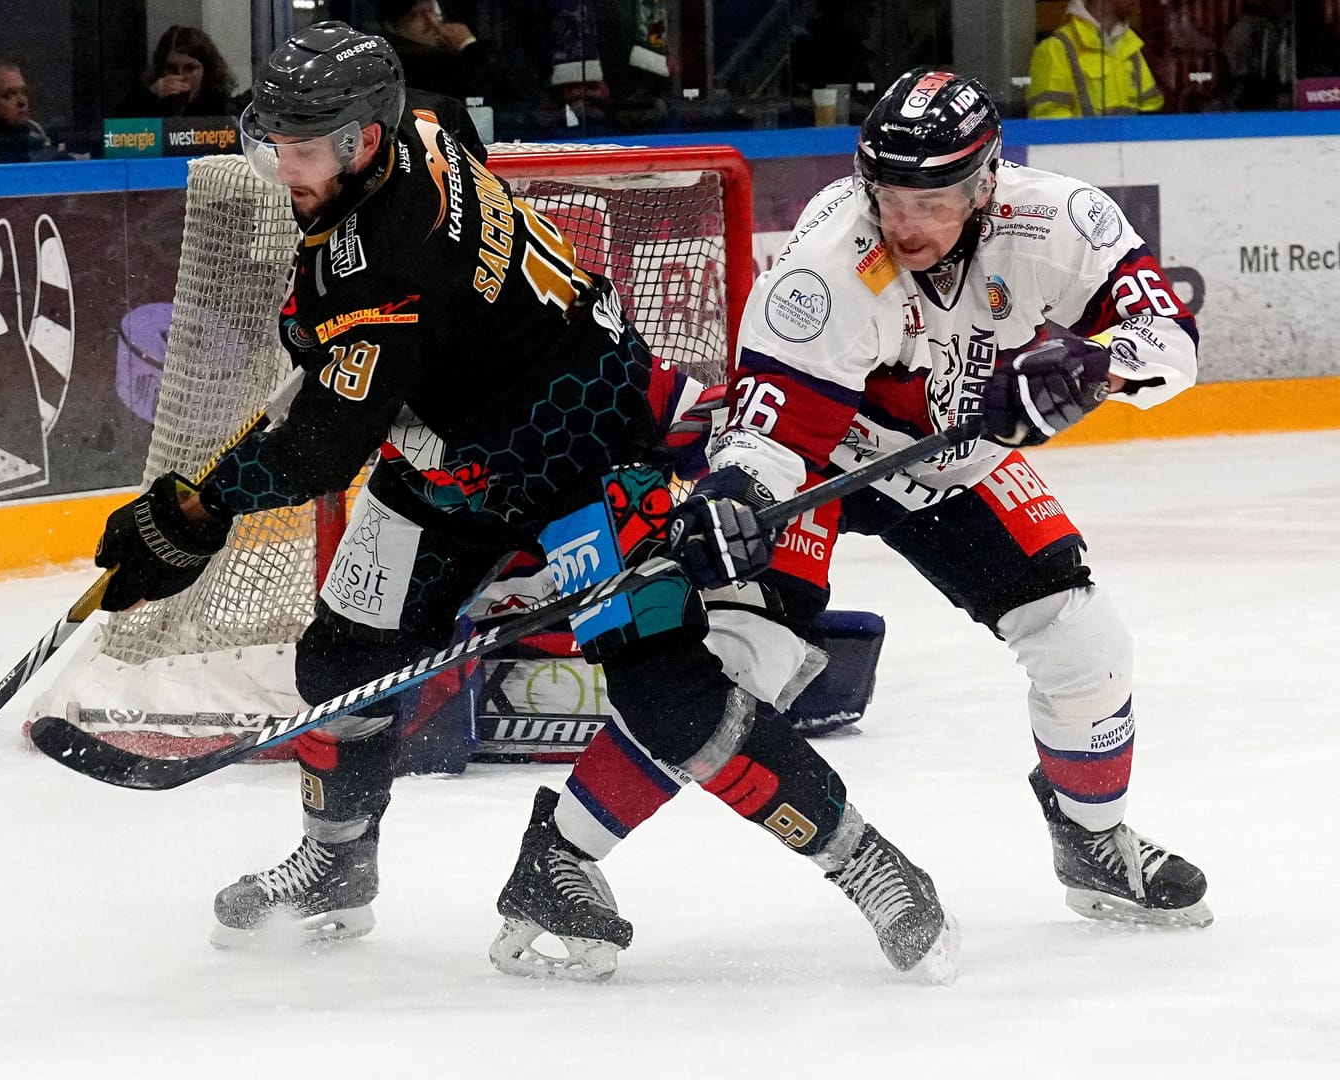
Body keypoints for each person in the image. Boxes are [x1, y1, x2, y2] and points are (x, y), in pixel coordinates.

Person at [88, 21, 957, 984]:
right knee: (341, 654)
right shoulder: (424, 129)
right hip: (452, 464)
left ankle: (866, 864)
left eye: (300, 151)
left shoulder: (381, 260)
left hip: (582, 455)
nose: (280, 169)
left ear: (363, 141)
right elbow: (384, 345)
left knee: (669, 695)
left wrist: (195, 515)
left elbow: (324, 445)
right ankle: (336, 869)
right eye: (274, 146)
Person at [537, 69, 1212, 983]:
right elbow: (774, 432)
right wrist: (735, 493)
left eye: (933, 199)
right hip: (824, 464)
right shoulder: (827, 266)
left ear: (986, 184)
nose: (908, 223)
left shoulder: (1059, 222)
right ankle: (560, 857)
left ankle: (1093, 845)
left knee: (1082, 641)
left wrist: (1094, 367)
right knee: (739, 664)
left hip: (950, 462)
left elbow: (1168, 339)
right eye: (891, 195)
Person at [1028, 0, 1165, 118]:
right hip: (1081, 149)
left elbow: (1151, 112)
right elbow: (1049, 128)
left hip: (1127, 149)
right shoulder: (1056, 49)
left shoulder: (1130, 47)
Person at [110, 25, 237, 118]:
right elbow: (119, 130)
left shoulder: (221, 108)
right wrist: (150, 96)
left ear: (207, 70)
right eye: (171, 69)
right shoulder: (145, 103)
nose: (180, 76)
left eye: (190, 68)